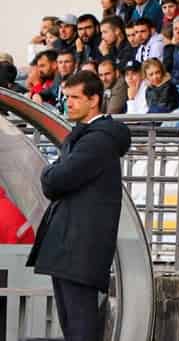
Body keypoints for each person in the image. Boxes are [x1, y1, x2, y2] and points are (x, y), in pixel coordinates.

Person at [28, 71, 133, 341]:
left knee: (80, 328)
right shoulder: (87, 136)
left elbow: (55, 181)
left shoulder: (97, 140)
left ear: (94, 100)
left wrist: (49, 174)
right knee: (73, 326)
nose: (68, 103)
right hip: (71, 248)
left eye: (75, 97)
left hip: (79, 248)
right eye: (66, 97)